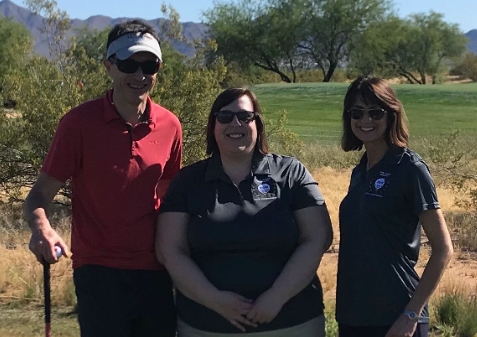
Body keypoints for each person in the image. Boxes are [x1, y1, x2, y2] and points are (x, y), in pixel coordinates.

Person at [24, 20, 181, 337]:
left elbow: (171, 202)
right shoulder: (78, 124)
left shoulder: (170, 125)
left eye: (148, 65)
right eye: (128, 64)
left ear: (158, 68)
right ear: (109, 66)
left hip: (157, 271)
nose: (139, 76)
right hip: (98, 271)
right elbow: (39, 195)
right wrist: (42, 229)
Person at [156, 87, 333, 337]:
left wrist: (275, 297)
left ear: (258, 123)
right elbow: (169, 250)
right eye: (225, 117)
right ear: (213, 127)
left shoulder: (291, 172)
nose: (235, 123)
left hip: (292, 323)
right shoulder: (187, 182)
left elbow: (317, 238)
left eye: (245, 116)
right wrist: (214, 300)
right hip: (207, 326)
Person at [336, 76, 454, 337]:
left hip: (397, 319)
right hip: (352, 316)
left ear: (391, 115)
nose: (366, 120)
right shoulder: (359, 171)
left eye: (375, 112)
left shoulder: (410, 168)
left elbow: (444, 249)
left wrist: (411, 315)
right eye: (357, 112)